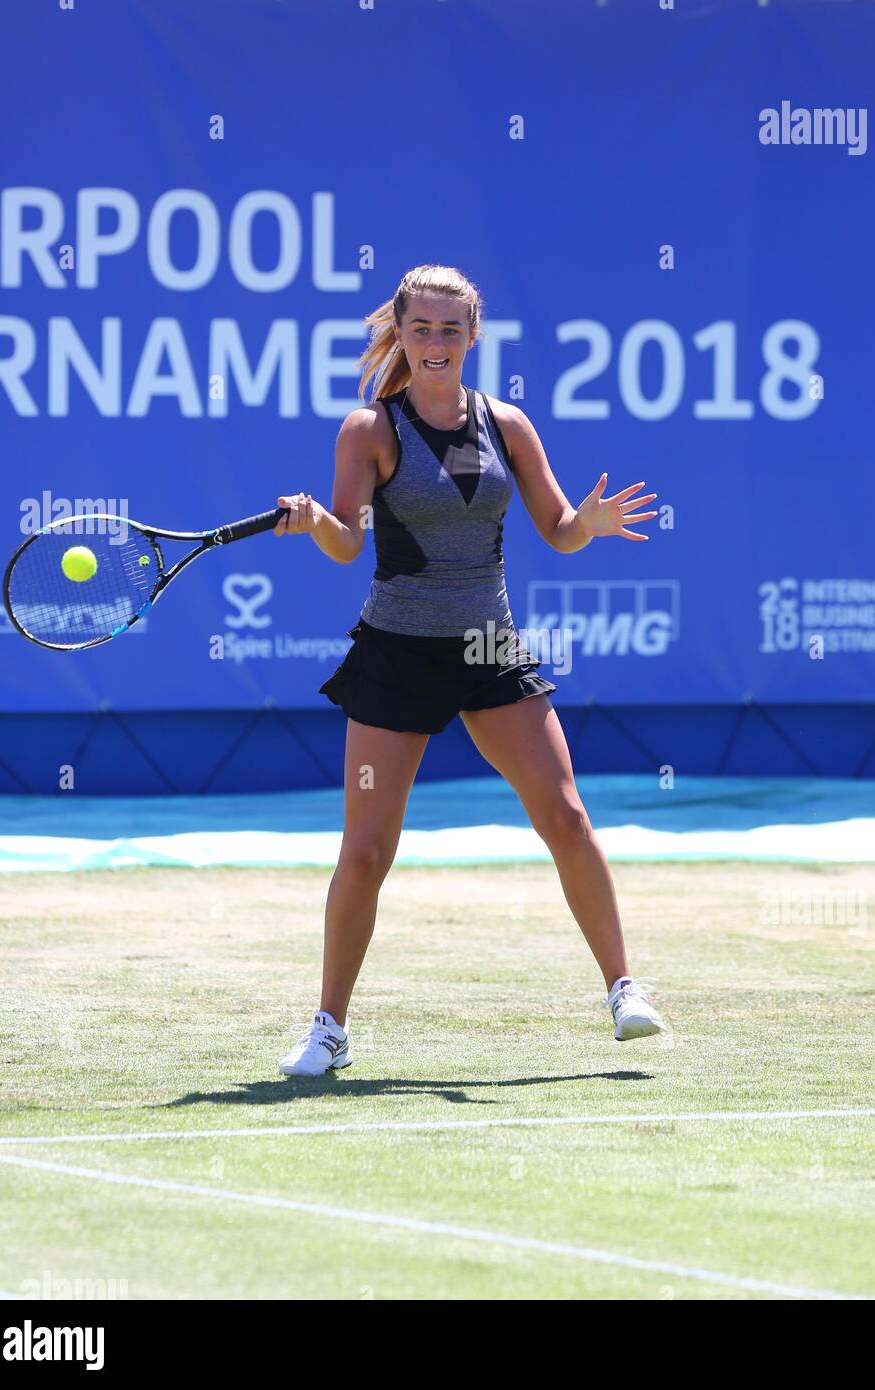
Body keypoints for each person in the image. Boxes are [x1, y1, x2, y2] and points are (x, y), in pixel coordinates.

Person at [277, 264, 664, 1077]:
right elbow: (349, 541)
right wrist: (316, 520)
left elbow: (557, 527)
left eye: (451, 330)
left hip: (490, 651)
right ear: (402, 333)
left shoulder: (508, 424)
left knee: (565, 816)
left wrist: (586, 524)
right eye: (421, 328)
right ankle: (329, 1028)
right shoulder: (368, 430)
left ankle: (624, 990)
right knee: (367, 851)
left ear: (472, 338)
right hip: (397, 655)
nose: (436, 343)